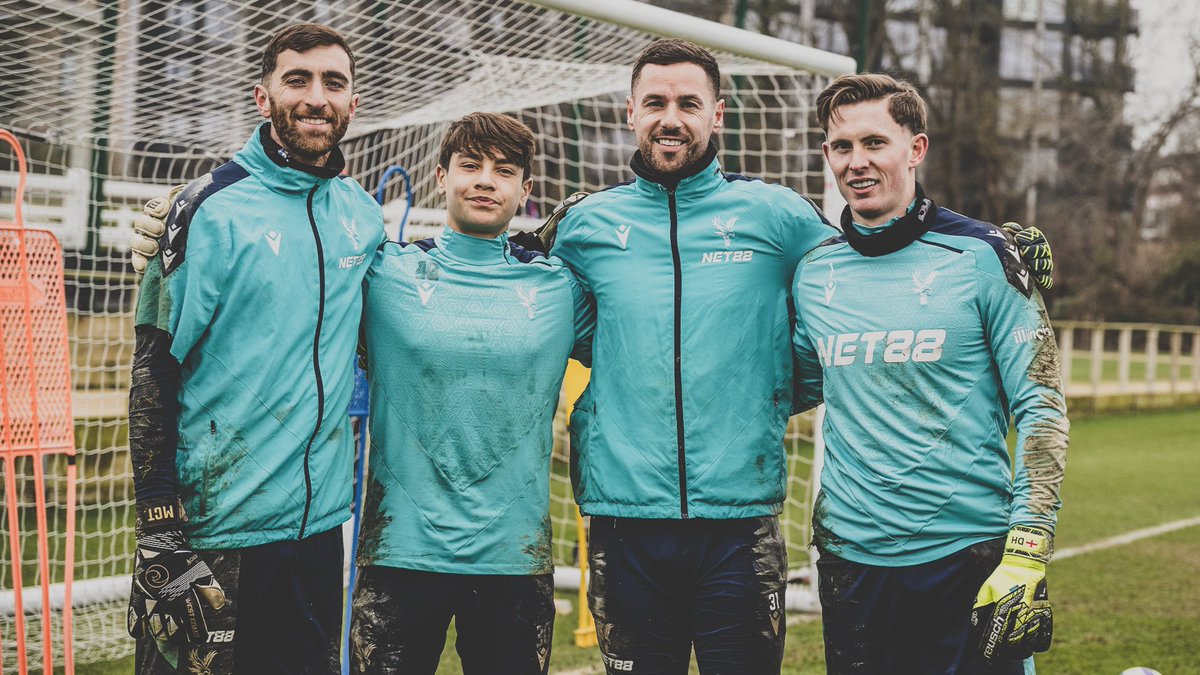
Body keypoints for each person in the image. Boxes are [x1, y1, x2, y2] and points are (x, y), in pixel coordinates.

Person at [126, 23, 385, 675]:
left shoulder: (362, 214)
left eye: (334, 82)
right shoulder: (208, 208)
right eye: (296, 79)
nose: (315, 97)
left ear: (354, 103)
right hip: (213, 535)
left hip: (318, 532)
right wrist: (159, 522)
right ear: (263, 96)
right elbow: (154, 372)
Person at [791, 73, 1069, 674]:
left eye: (875, 143)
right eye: (842, 147)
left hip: (969, 558)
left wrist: (1027, 550)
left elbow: (1042, 406)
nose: (857, 162)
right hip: (852, 563)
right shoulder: (813, 272)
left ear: (915, 149)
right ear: (826, 156)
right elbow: (790, 387)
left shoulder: (986, 256)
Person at [347, 112, 594, 675]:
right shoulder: (386, 273)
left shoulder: (557, 287)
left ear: (526, 190)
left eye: (504, 171)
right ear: (440, 175)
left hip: (513, 556)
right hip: (399, 554)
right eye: (470, 165)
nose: (486, 180)